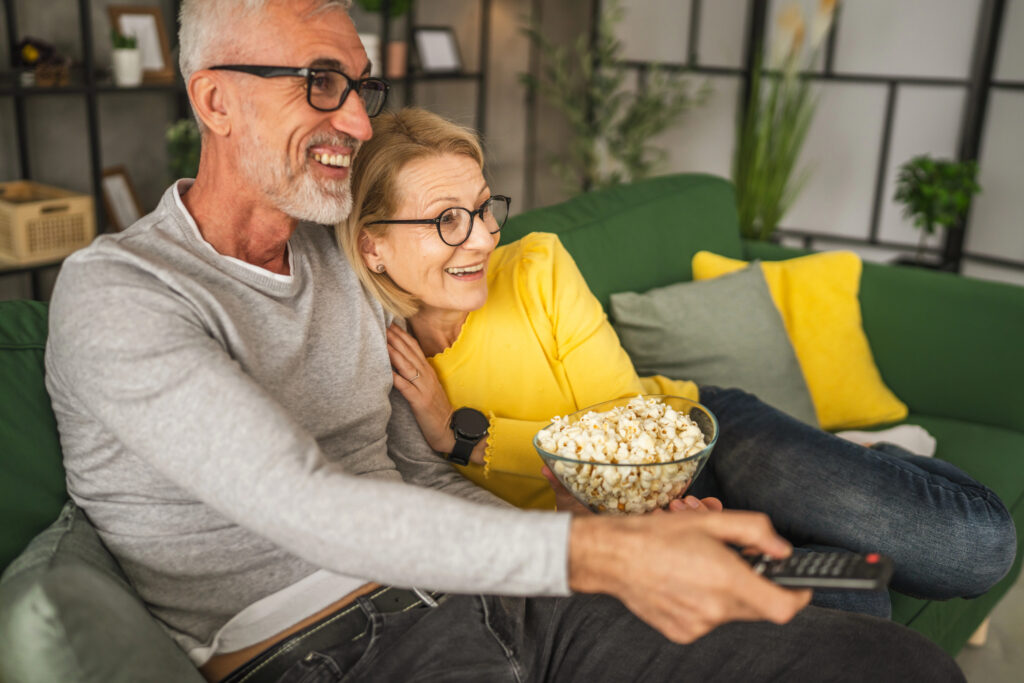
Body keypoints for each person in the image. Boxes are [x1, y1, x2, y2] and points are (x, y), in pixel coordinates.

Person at [41, 1, 967, 681]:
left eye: (361, 87)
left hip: (490, 589)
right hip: (320, 650)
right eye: (321, 83)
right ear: (215, 100)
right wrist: (602, 553)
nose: (358, 121)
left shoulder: (339, 265)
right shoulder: (119, 292)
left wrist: (591, 528)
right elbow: (298, 498)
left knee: (889, 664)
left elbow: (420, 469)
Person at [343, 106, 1017, 620]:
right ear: (373, 246)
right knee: (854, 609)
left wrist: (470, 435)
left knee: (978, 547)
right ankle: (833, 483)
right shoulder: (368, 355)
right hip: (624, 537)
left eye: (484, 207)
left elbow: (626, 430)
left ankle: (871, 461)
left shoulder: (535, 264)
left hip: (701, 438)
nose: (485, 236)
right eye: (446, 219)